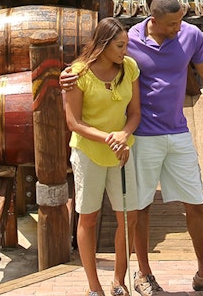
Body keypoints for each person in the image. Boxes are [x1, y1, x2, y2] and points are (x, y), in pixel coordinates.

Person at [62, 0, 203, 296]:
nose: (179, 28)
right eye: (172, 23)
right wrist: (65, 76)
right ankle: (143, 275)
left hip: (177, 131)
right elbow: (91, 64)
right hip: (140, 137)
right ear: (153, 20)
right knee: (139, 208)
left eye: (180, 21)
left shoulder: (190, 35)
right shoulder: (129, 42)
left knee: (195, 202)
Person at [63, 17, 141, 296]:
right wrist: (110, 138)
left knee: (128, 218)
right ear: (104, 44)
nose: (125, 51)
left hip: (122, 153)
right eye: (120, 45)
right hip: (88, 153)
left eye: (127, 45)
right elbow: (74, 123)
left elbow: (135, 114)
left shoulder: (129, 68)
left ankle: (118, 281)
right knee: (89, 219)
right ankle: (94, 287)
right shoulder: (77, 73)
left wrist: (124, 135)